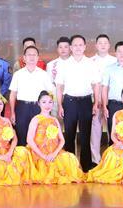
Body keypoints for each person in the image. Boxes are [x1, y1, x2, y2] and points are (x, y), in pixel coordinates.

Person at [55, 34, 100, 171]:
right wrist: (60, 105)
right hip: (69, 102)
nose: (78, 47)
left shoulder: (91, 63)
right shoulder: (63, 64)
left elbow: (96, 85)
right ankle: (71, 167)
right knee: (69, 135)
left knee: (86, 135)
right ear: (71, 47)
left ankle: (86, 167)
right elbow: (59, 86)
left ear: (85, 47)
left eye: (80, 45)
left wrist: (95, 103)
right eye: (75, 45)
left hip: (86, 102)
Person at [26, 91, 85, 184]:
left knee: (70, 158)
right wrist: (43, 155)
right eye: (44, 102)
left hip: (53, 151)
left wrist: (54, 153)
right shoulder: (36, 119)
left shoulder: (55, 120)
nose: (47, 105)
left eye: (50, 102)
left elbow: (62, 140)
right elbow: (29, 140)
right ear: (39, 103)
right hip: (38, 152)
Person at [0, 92, 32, 185]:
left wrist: (10, 153)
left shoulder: (7, 121)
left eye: (0, 104)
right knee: (2, 171)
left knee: (23, 152)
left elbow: (15, 139)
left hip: (8, 150)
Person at [9, 45, 54, 145]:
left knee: (38, 136)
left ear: (38, 57)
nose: (32, 57)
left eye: (34, 55)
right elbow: (12, 95)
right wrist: (12, 112)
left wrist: (47, 111)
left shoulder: (44, 74)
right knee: (21, 135)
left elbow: (50, 94)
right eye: (29, 55)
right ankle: (22, 155)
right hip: (22, 108)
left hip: (39, 108)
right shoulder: (18, 74)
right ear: (24, 58)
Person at [89, 34, 117, 165]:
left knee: (114, 129)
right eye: (100, 43)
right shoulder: (90, 61)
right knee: (95, 130)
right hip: (95, 100)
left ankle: (113, 159)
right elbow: (90, 82)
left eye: (105, 43)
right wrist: (96, 99)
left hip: (111, 99)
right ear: (96, 45)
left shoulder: (115, 60)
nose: (103, 45)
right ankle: (95, 160)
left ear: (109, 45)